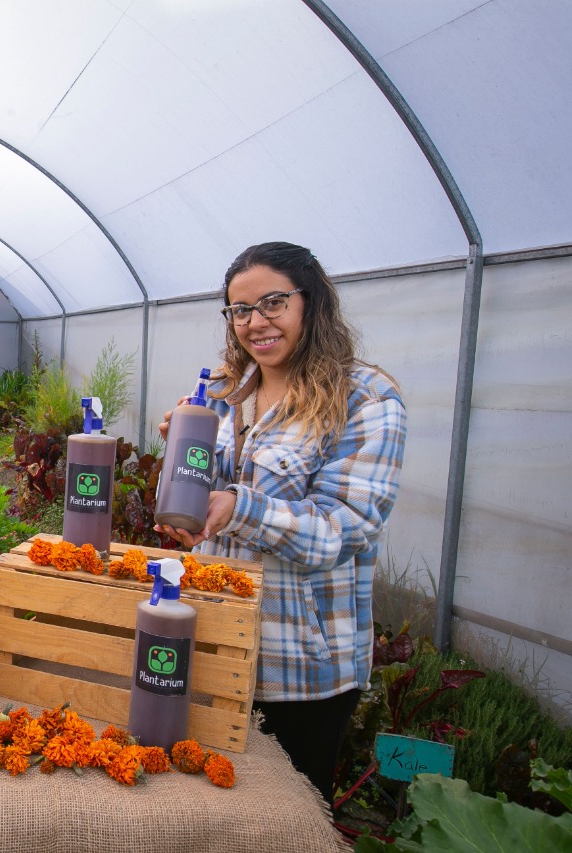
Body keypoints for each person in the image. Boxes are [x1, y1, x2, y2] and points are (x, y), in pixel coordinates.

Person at [155, 241, 406, 802]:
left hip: (298, 663)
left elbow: (344, 528)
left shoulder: (364, 398)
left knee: (293, 812)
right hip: (213, 637)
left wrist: (237, 507)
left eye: (273, 303)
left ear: (310, 301)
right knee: (209, 802)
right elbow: (201, 494)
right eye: (240, 310)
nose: (255, 322)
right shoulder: (224, 390)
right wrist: (181, 466)